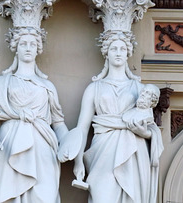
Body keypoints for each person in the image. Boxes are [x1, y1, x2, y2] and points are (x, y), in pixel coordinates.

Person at [59, 31, 164, 203]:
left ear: (128, 53)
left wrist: (145, 134)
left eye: (122, 48)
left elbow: (151, 127)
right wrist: (78, 162)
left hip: (133, 152)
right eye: (114, 48)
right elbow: (82, 129)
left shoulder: (138, 87)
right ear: (106, 52)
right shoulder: (94, 88)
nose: (118, 52)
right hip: (103, 151)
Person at [0, 27, 68, 203]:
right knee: (13, 195)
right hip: (10, 144)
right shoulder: (3, 83)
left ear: (38, 48)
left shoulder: (47, 86)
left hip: (42, 146)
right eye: (23, 44)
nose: (28, 48)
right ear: (16, 47)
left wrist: (69, 144)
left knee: (46, 195)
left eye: (33, 44)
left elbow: (59, 123)